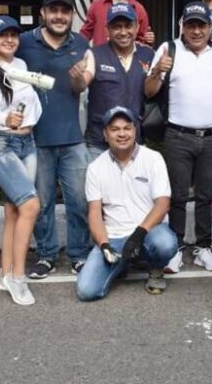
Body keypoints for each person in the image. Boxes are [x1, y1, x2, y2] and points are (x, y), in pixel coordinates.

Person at [144, 2, 212, 273]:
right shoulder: (168, 49)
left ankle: (204, 248)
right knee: (178, 195)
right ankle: (177, 249)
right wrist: (158, 69)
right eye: (190, 25)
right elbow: (148, 92)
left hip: (211, 137)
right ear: (182, 25)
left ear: (209, 28)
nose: (196, 31)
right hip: (178, 135)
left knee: (207, 195)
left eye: (201, 25)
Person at [17, 0, 92, 277]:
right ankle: (46, 254)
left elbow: (81, 86)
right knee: (43, 202)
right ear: (43, 14)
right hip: (35, 139)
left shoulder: (81, 43)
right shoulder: (24, 42)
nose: (59, 16)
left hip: (73, 138)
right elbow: (1, 65)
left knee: (79, 202)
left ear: (71, 15)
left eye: (65, 10)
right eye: (53, 10)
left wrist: (79, 81)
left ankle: (79, 254)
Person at [76, 107, 178, 300]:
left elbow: (163, 203)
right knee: (86, 291)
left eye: (127, 128)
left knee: (165, 243)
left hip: (149, 232)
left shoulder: (153, 159)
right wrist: (104, 245)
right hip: (114, 237)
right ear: (105, 134)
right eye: (115, 129)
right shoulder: (95, 168)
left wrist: (138, 235)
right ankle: (122, 263)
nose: (122, 134)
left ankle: (154, 266)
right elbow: (95, 212)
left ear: (135, 131)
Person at [0, 15, 43, 305]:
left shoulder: (22, 66)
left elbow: (29, 100)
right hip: (0, 144)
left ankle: (5, 273)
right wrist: (6, 118)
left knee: (14, 211)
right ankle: (19, 278)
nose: (9, 40)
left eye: (14, 34)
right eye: (2, 35)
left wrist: (26, 116)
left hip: (27, 141)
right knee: (30, 205)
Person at [77, 2, 155, 160]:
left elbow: (153, 91)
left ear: (137, 27)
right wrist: (77, 78)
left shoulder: (148, 54)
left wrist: (159, 70)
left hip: (135, 144)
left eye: (128, 26)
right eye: (117, 27)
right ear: (107, 29)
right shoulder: (94, 54)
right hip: (99, 145)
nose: (123, 32)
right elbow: (83, 81)